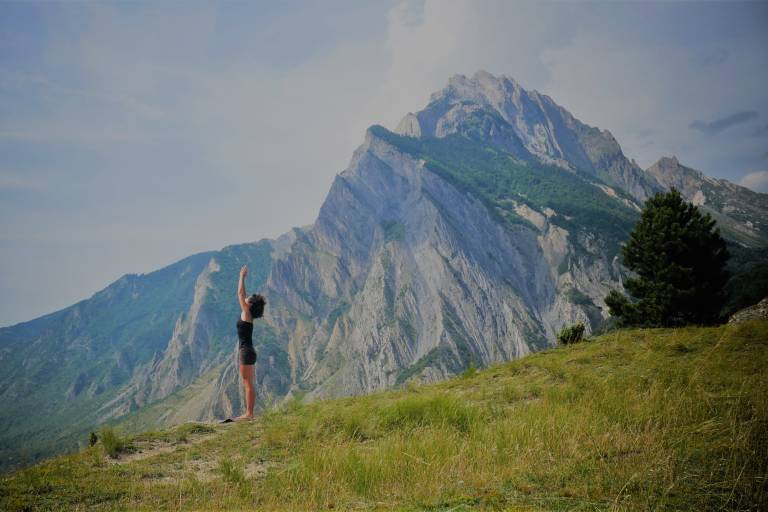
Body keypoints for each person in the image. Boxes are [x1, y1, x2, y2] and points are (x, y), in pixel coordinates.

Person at [232, 264, 265, 422]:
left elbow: (239, 293)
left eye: (249, 299)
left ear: (250, 305)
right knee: (249, 383)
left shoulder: (246, 312)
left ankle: (249, 413)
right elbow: (243, 294)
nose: (246, 298)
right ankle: (249, 412)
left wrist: (241, 277)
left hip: (246, 351)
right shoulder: (248, 315)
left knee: (247, 384)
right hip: (249, 350)